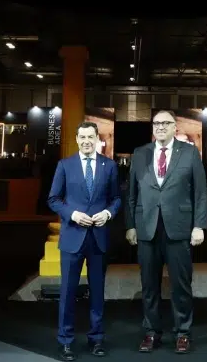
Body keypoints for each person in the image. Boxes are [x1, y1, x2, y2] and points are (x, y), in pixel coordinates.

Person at [126, 110, 207, 354]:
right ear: (152, 128)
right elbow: (130, 194)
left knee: (181, 285)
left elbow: (200, 193)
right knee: (149, 285)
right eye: (157, 123)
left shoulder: (190, 152)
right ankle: (151, 332)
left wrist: (199, 225)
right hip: (146, 228)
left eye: (166, 123)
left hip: (179, 228)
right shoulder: (140, 154)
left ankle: (182, 333)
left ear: (175, 127)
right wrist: (130, 225)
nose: (160, 127)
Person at [47, 121, 121, 361]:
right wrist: (72, 214)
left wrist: (108, 214)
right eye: (83, 137)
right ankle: (66, 341)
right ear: (77, 139)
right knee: (67, 292)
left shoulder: (109, 166)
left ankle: (96, 338)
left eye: (91, 136)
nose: (87, 141)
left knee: (98, 293)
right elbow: (54, 199)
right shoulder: (65, 165)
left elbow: (116, 199)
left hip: (98, 238)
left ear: (97, 138)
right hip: (71, 238)